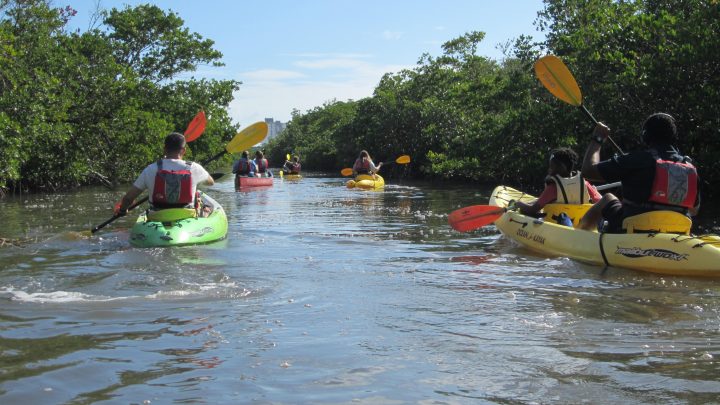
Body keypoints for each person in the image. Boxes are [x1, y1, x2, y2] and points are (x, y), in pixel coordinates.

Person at [577, 112, 700, 232]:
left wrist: (597, 138)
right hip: (676, 230)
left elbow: (588, 171)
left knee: (608, 198)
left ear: (645, 136)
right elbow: (694, 210)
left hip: (633, 228)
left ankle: (580, 237)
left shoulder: (637, 159)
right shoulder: (689, 166)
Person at [114, 132, 214, 216]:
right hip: (186, 215)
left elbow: (128, 198)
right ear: (184, 151)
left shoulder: (151, 169)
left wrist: (123, 210)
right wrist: (197, 179)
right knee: (206, 206)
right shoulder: (194, 167)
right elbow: (211, 182)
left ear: (164, 149)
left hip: (157, 216)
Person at [515, 147, 602, 216]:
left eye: (552, 167)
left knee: (524, 211)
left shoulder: (553, 187)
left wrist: (518, 204)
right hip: (581, 224)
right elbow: (600, 201)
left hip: (557, 224)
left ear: (561, 167)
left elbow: (533, 209)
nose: (549, 170)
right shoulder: (585, 184)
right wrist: (594, 191)